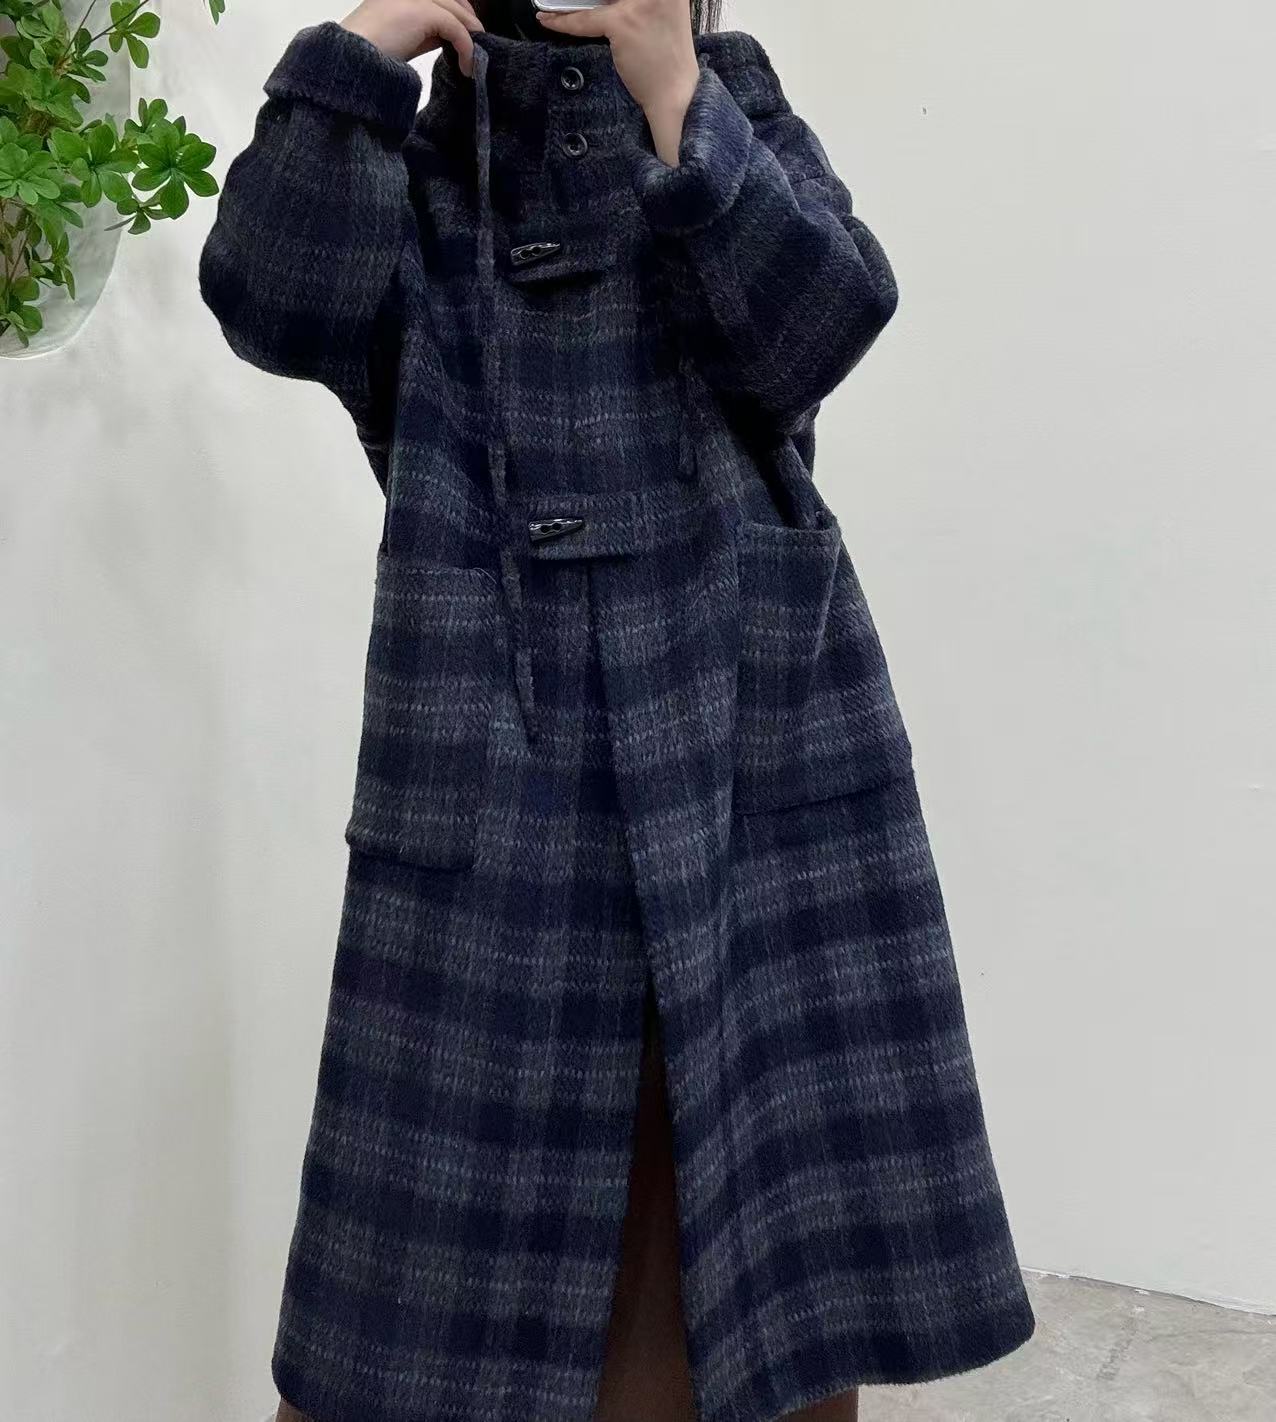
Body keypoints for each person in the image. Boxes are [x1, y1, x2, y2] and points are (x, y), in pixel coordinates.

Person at [199, 2, 1036, 1420]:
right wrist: (360, 47)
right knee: (433, 1299)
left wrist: (675, 100)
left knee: (745, 1240)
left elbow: (824, 324)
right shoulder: (426, 173)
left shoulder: (723, 102)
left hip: (745, 736)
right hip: (491, 747)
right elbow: (270, 301)